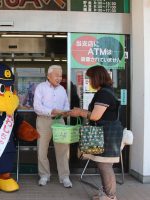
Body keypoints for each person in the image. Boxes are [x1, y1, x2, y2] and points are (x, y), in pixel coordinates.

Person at [69, 65, 123, 200]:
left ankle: (110, 196)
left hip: (107, 134)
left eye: (90, 78)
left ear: (97, 78)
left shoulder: (104, 93)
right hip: (107, 133)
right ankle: (106, 193)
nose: (89, 81)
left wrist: (79, 112)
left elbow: (95, 116)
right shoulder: (106, 91)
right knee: (103, 164)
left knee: (104, 165)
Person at [33, 65, 72, 188]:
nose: (59, 78)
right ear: (48, 76)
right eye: (57, 75)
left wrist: (65, 111)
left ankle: (64, 177)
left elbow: (66, 105)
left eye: (60, 75)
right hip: (44, 121)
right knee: (42, 149)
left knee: (63, 150)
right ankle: (44, 175)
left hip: (59, 121)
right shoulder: (41, 88)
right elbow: (37, 107)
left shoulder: (62, 89)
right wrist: (51, 111)